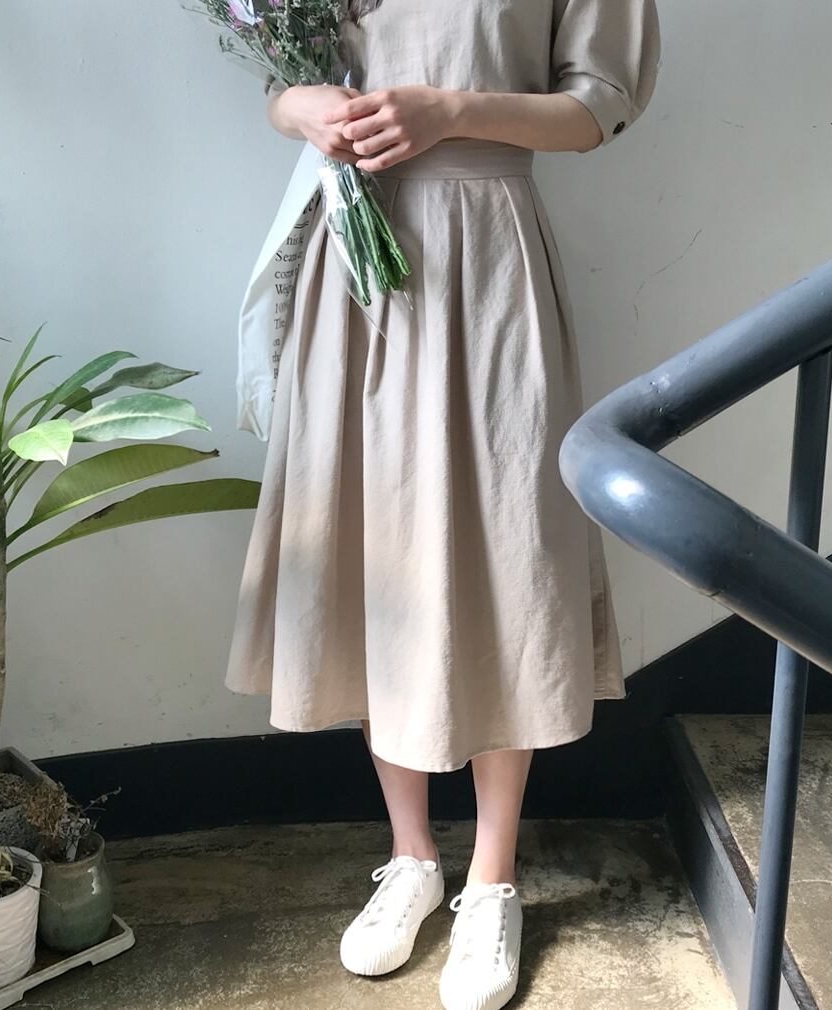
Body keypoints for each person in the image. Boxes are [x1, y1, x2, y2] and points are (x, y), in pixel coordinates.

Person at [225, 1, 661, 1007]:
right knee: (369, 546)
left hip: (488, 254)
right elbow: (282, 82)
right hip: (352, 254)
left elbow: (597, 105)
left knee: (505, 550)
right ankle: (411, 855)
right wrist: (299, 110)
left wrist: (452, 111)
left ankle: (492, 876)